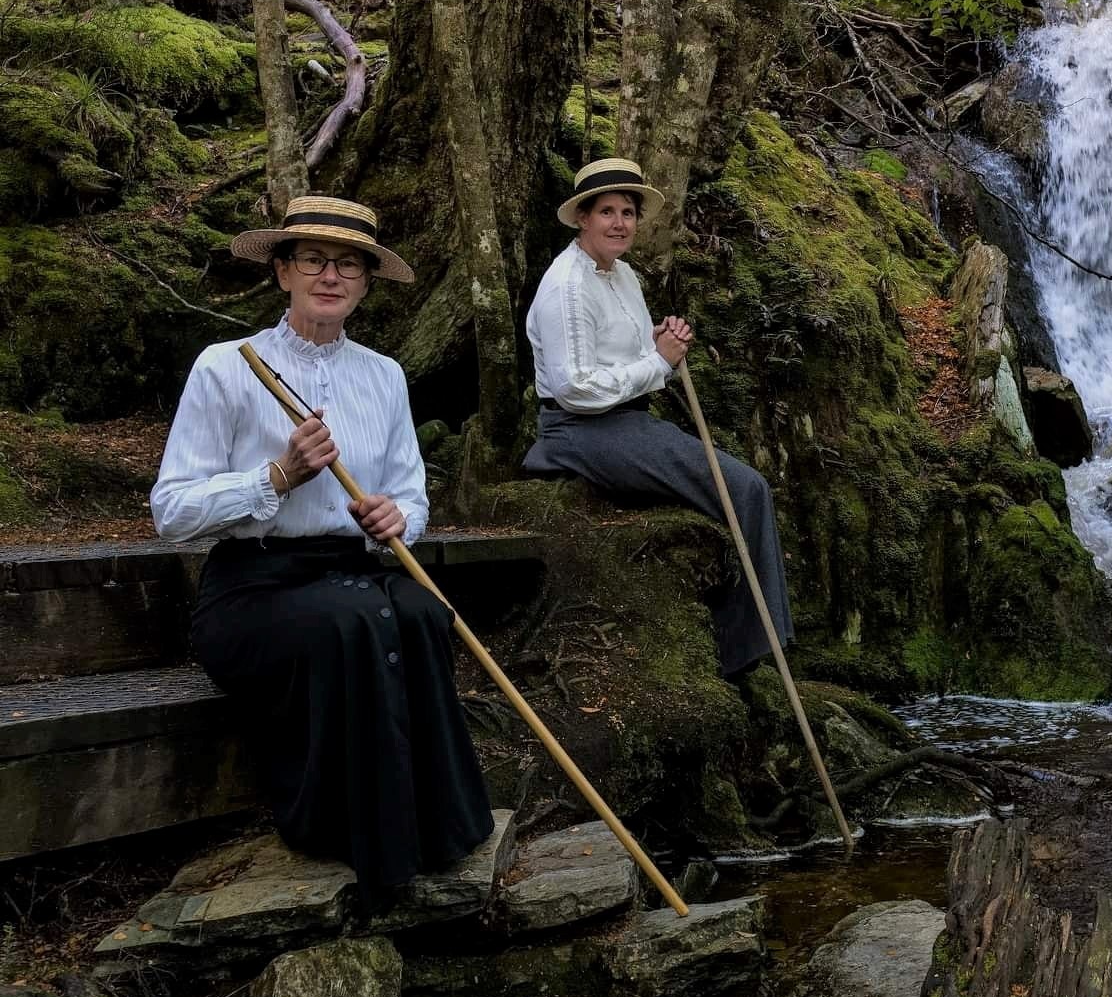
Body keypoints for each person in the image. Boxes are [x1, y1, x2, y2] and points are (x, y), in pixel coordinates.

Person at [151, 196, 495, 897]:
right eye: (313, 259)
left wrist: (397, 520)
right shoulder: (227, 367)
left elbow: (411, 494)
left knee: (426, 615)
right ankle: (347, 834)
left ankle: (438, 829)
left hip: (355, 569)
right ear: (283, 272)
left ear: (366, 283)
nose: (330, 275)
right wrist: (278, 476)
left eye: (349, 264)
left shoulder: (385, 376)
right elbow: (171, 513)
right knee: (356, 622)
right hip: (254, 587)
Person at [522, 157, 794, 676]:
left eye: (628, 211)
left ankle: (751, 640)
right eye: (607, 212)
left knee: (745, 488)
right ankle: (744, 651)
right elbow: (575, 388)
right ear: (583, 218)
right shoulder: (567, 288)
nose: (620, 222)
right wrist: (658, 362)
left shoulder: (622, 275)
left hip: (626, 420)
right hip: (580, 430)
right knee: (745, 488)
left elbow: (628, 357)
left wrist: (658, 343)